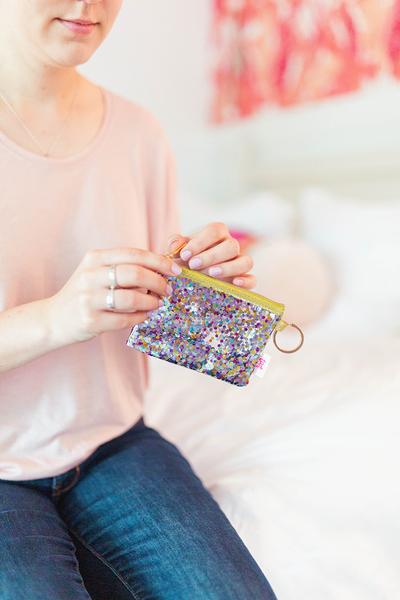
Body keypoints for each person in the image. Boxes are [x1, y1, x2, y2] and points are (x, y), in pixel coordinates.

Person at [0, 1, 278, 599]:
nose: (86, 6)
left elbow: (174, 329)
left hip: (113, 440)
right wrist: (55, 318)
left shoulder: (139, 133)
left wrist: (213, 297)